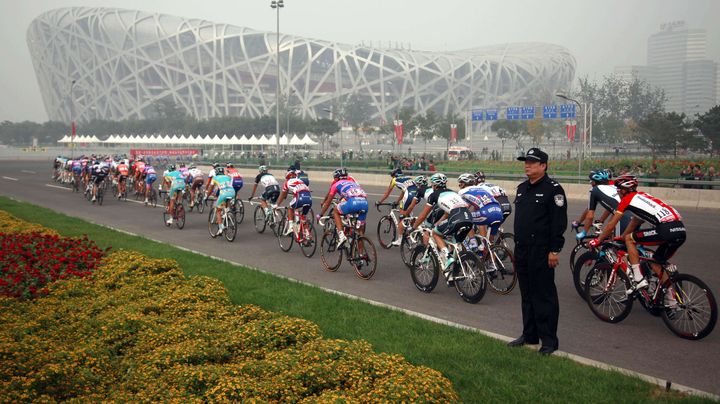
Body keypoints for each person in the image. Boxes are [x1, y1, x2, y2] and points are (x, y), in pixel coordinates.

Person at [508, 148, 567, 356]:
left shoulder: (553, 190)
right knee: (527, 294)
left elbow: (558, 223)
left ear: (543, 166)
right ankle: (529, 335)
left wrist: (554, 250)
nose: (527, 165)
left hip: (542, 251)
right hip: (522, 249)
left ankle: (549, 340)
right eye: (526, 162)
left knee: (544, 295)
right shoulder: (522, 188)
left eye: (532, 162)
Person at [588, 175, 685, 297]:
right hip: (680, 230)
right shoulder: (643, 196)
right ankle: (672, 301)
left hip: (666, 229)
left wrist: (598, 240)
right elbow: (636, 221)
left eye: (618, 190)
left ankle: (638, 279)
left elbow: (611, 224)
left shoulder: (627, 199)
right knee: (656, 263)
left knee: (630, 239)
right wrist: (622, 236)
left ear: (624, 190)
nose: (617, 193)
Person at [411, 173, 473, 278]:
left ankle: (448, 257)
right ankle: (461, 264)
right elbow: (446, 213)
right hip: (468, 218)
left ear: (434, 185)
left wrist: (412, 228)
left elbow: (423, 216)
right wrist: (438, 223)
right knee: (455, 242)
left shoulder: (434, 195)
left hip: (456, 217)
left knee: (436, 233)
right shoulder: (453, 192)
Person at [572, 169, 631, 238]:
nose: (590, 183)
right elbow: (612, 206)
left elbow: (590, 214)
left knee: (617, 244)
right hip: (633, 216)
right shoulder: (614, 186)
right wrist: (601, 221)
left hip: (622, 217)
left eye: (591, 181)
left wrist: (584, 232)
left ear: (594, 182)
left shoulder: (594, 190)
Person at [318, 168, 369, 248]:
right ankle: (361, 257)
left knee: (336, 211)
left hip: (352, 202)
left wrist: (320, 214)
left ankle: (341, 235)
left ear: (336, 178)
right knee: (360, 233)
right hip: (364, 203)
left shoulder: (336, 184)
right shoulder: (351, 181)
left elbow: (328, 202)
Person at [457, 173, 503, 248]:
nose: (459, 186)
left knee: (465, 218)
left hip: (486, 213)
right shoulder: (482, 188)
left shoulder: (462, 192)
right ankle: (489, 253)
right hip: (498, 212)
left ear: (463, 184)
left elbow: (461, 207)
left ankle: (473, 242)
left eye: (459, 184)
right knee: (490, 245)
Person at [377, 168, 418, 246]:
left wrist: (380, 202)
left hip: (408, 195)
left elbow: (387, 193)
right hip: (416, 195)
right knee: (408, 213)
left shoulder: (394, 180)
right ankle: (411, 228)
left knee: (401, 217)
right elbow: (404, 191)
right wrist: (397, 201)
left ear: (394, 175)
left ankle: (399, 240)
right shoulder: (407, 178)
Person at [276, 168, 312, 236]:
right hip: (309, 198)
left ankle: (291, 226)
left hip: (300, 198)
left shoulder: (287, 182)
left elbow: (283, 195)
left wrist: (277, 204)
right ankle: (307, 235)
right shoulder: (301, 181)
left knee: (290, 207)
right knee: (303, 218)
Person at [205, 166, 235, 234]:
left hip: (224, 193)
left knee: (218, 210)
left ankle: (221, 228)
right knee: (226, 205)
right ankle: (227, 214)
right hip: (232, 192)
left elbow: (211, 189)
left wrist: (207, 196)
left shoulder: (215, 178)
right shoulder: (227, 177)